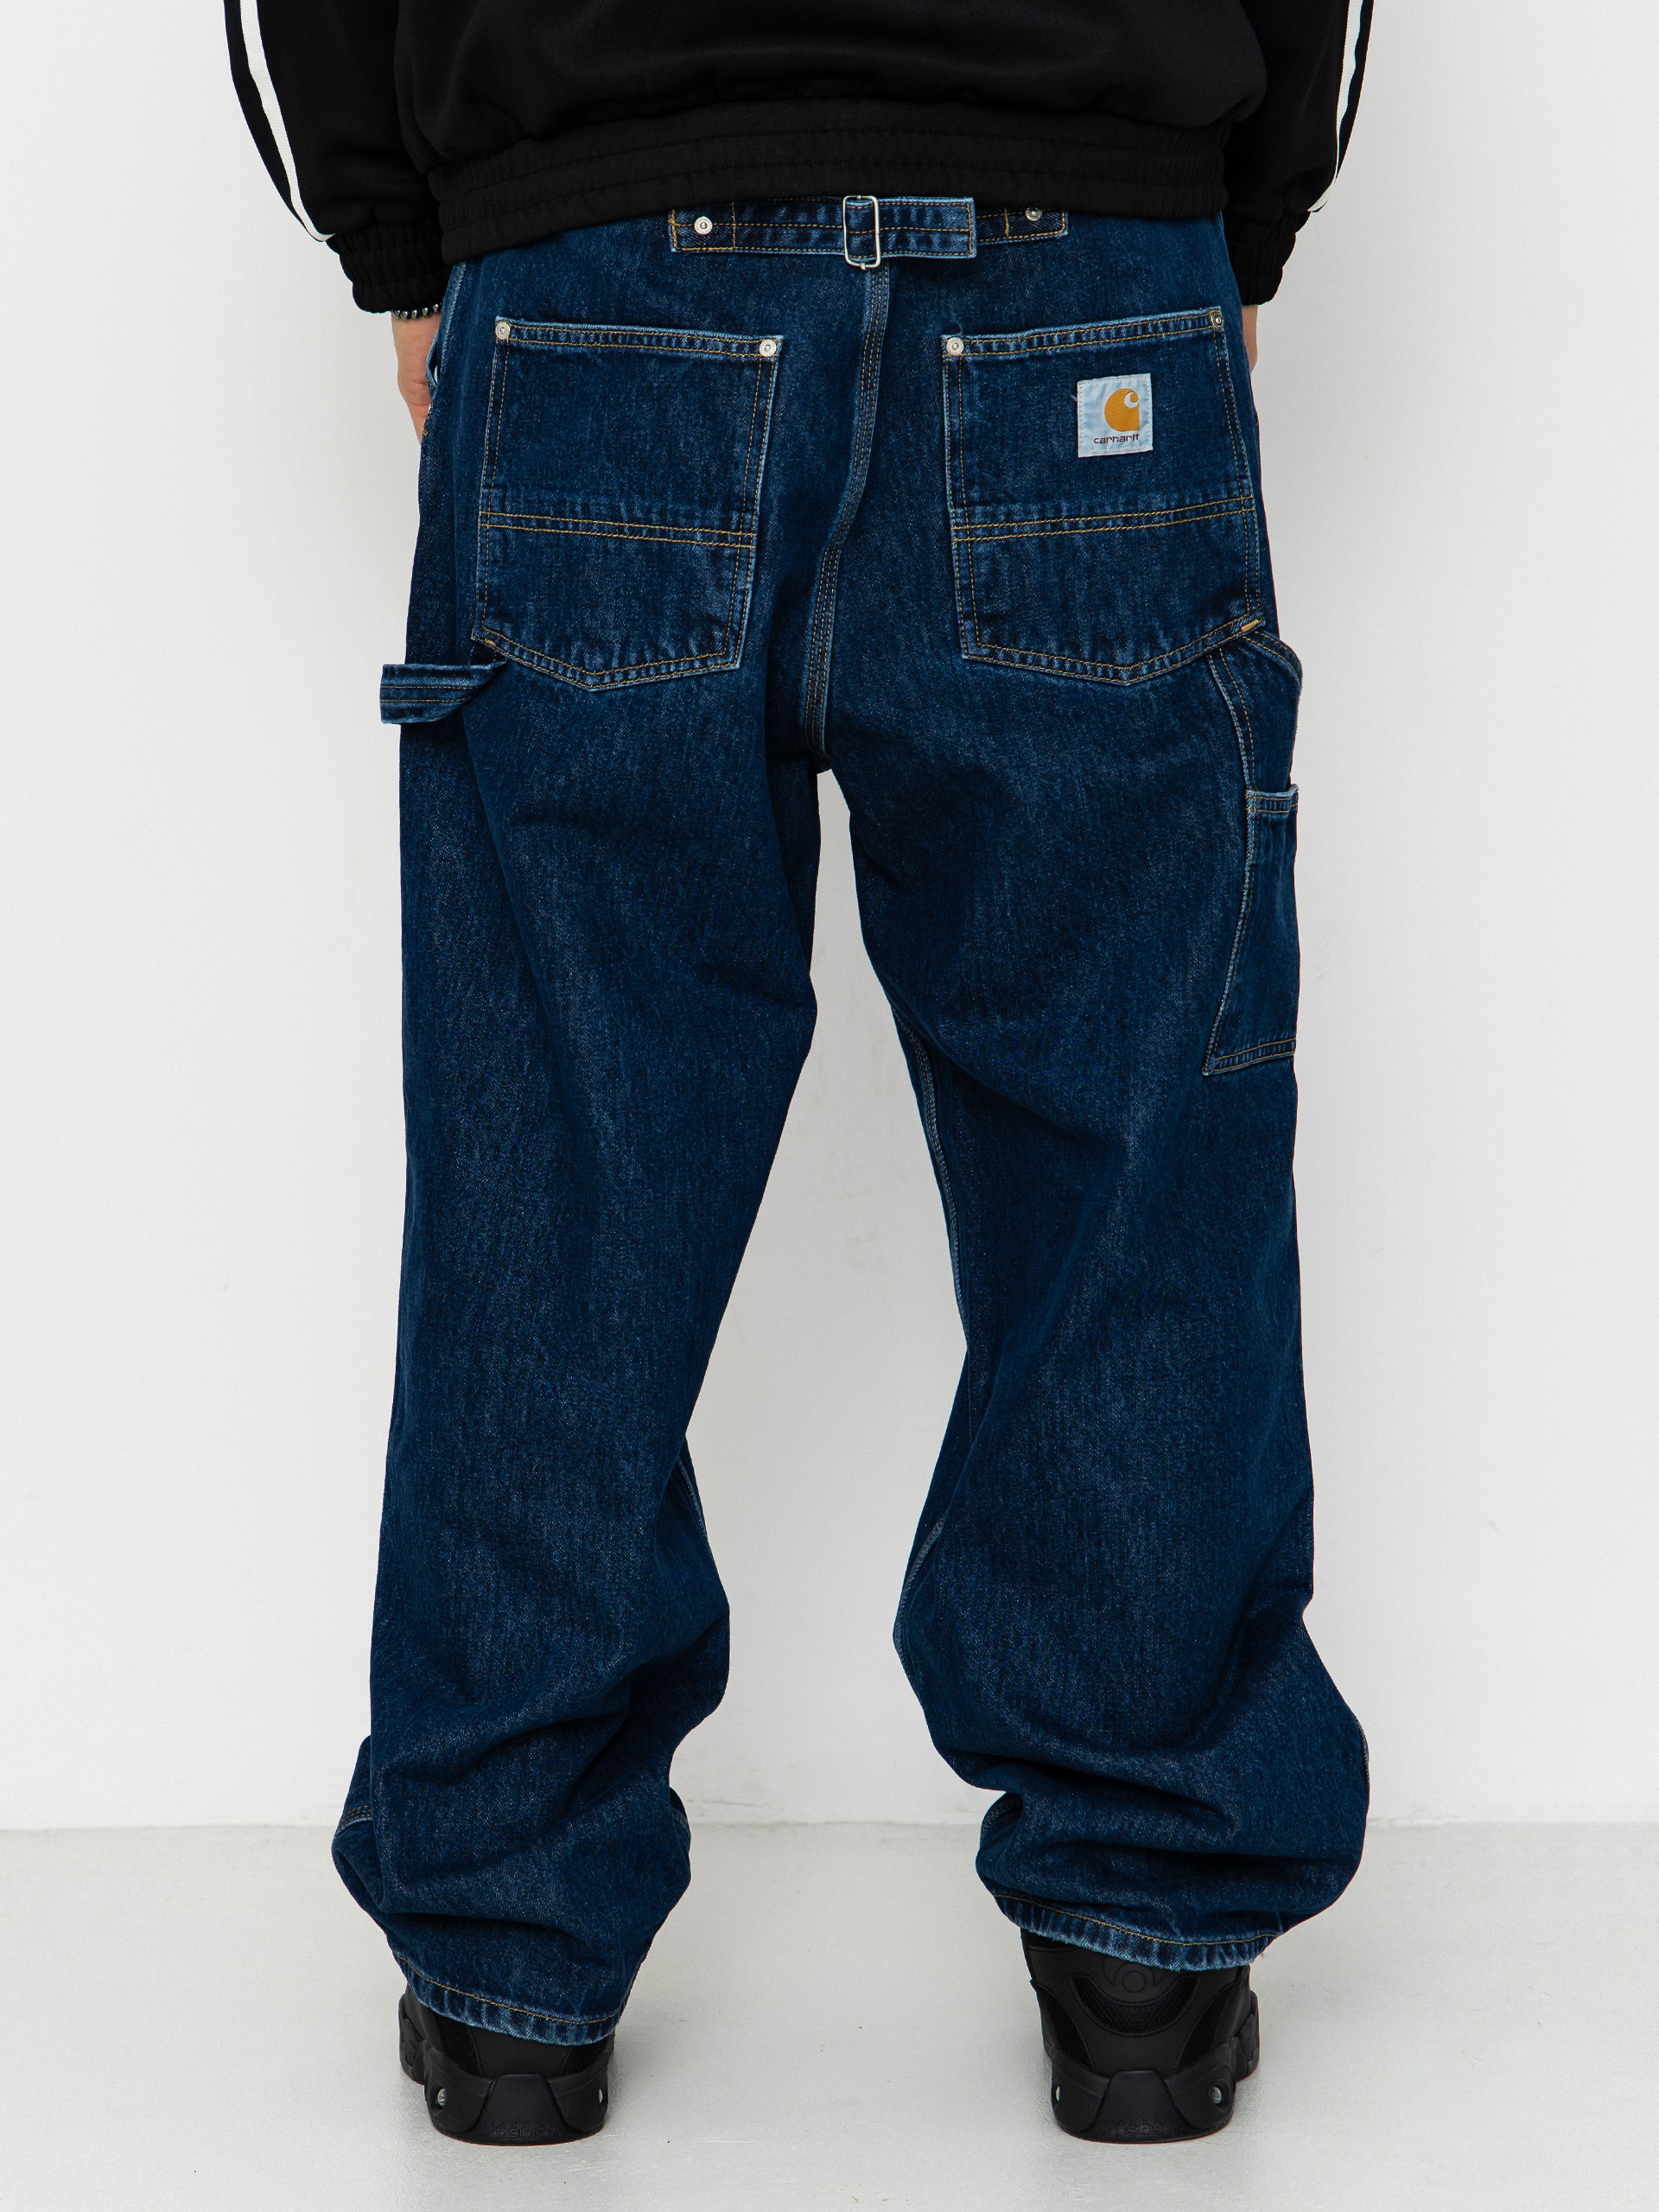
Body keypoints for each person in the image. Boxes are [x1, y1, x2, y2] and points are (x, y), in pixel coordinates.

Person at [227, 0, 1374, 2149]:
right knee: (1134, 1134)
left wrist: (404, 228)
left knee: (560, 1145)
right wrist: (1235, 214)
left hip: (596, 262)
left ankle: (507, 1970)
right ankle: (1143, 1944)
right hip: (1085, 250)